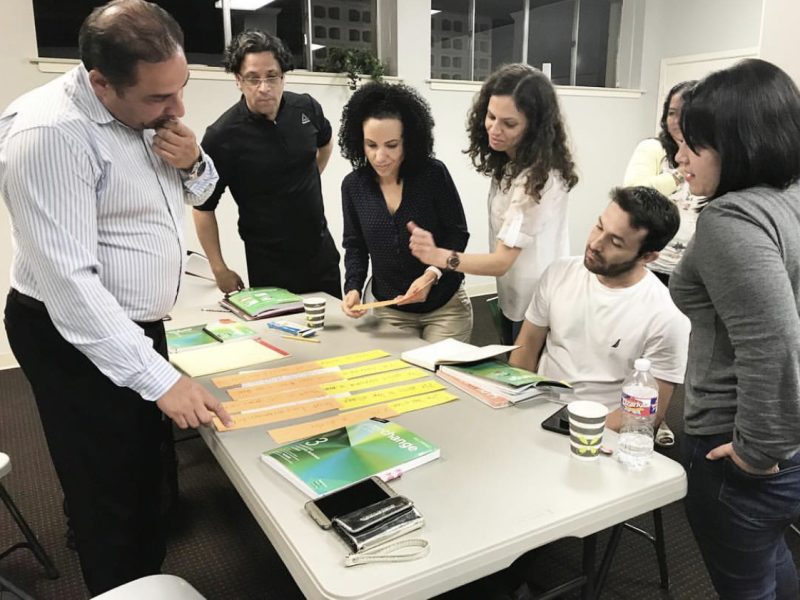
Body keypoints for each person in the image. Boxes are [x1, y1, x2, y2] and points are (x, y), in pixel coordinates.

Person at [0, 0, 232, 594]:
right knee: (106, 488)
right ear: (100, 82)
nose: (177, 108)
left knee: (145, 470)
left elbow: (202, 191)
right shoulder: (49, 134)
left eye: (180, 88)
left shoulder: (146, 114)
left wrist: (196, 159)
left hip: (133, 322)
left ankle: (145, 572)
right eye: (160, 98)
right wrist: (161, 380)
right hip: (67, 331)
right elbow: (69, 284)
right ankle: (123, 584)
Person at [670, 58, 800, 599]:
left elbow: (774, 344)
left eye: (693, 143)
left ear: (739, 143)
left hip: (738, 444)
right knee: (773, 558)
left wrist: (757, 450)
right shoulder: (790, 199)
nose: (678, 156)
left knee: (745, 583)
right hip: (786, 445)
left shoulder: (732, 220)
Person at [409, 64, 578, 345]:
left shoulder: (539, 179)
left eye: (509, 124)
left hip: (539, 305)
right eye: (490, 116)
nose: (494, 129)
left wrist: (439, 258)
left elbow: (501, 261)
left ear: (534, 127)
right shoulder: (510, 164)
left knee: (528, 381)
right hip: (513, 297)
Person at [509, 186, 689, 431]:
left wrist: (576, 431)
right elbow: (527, 346)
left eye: (615, 242)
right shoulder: (559, 273)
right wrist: (515, 405)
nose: (595, 243)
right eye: (599, 226)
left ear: (647, 257)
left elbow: (648, 413)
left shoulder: (667, 316)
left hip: (602, 432)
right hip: (538, 412)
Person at [193, 30, 341, 298]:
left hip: (320, 252)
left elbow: (325, 143)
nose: (264, 87)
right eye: (252, 78)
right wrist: (219, 268)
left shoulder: (306, 108)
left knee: (334, 331)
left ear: (283, 75)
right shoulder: (222, 136)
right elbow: (203, 207)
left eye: (272, 76)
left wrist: (311, 175)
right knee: (281, 337)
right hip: (269, 263)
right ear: (238, 80)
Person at [338, 82, 472, 342]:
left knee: (442, 379)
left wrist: (431, 275)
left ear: (408, 142)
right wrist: (352, 287)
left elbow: (457, 235)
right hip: (390, 310)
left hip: (445, 307)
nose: (380, 156)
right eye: (371, 145)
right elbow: (354, 246)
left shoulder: (433, 175)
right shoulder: (354, 186)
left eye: (391, 145)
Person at [623, 80, 706, 285]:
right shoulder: (653, 148)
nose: (676, 120)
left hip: (696, 270)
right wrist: (678, 174)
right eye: (671, 113)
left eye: (684, 112)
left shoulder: (711, 156)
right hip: (652, 264)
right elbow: (633, 195)